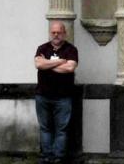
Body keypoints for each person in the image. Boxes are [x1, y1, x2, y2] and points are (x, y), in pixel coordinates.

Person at [34, 20, 78, 164]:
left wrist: (47, 65)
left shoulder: (71, 49)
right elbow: (38, 64)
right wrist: (60, 62)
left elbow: (70, 68)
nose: (56, 34)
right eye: (53, 32)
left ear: (64, 33)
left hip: (63, 97)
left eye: (59, 32)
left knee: (62, 129)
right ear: (50, 33)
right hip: (43, 95)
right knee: (45, 128)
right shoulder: (42, 48)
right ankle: (47, 156)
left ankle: (58, 157)